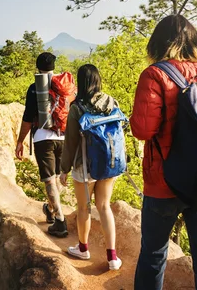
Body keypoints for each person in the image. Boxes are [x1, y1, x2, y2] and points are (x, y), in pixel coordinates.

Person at [131, 15, 197, 290]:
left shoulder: (155, 74)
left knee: (153, 255)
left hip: (164, 181)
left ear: (158, 43)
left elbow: (143, 130)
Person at [59, 64, 123, 270]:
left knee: (84, 207)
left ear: (81, 82)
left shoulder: (77, 107)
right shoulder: (112, 102)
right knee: (104, 207)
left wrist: (64, 169)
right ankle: (112, 257)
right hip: (109, 162)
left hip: (84, 165)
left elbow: (70, 142)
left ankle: (83, 248)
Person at [16, 52, 68, 237]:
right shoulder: (65, 86)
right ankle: (51, 210)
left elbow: (28, 118)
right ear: (54, 66)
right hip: (64, 136)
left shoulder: (34, 89)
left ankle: (60, 220)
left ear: (37, 67)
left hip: (43, 138)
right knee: (58, 177)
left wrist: (20, 141)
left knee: (49, 180)